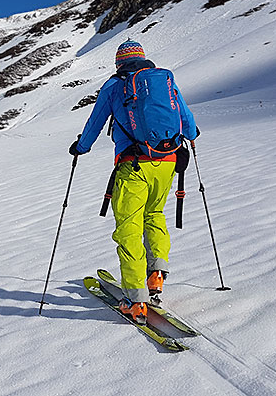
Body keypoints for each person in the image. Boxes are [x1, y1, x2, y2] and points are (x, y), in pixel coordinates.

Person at [69, 40, 198, 325]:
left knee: (128, 229)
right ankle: (156, 274)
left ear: (119, 64)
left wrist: (81, 147)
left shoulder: (114, 86)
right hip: (167, 163)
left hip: (133, 166)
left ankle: (135, 300)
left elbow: (96, 122)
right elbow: (188, 123)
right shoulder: (162, 83)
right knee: (154, 216)